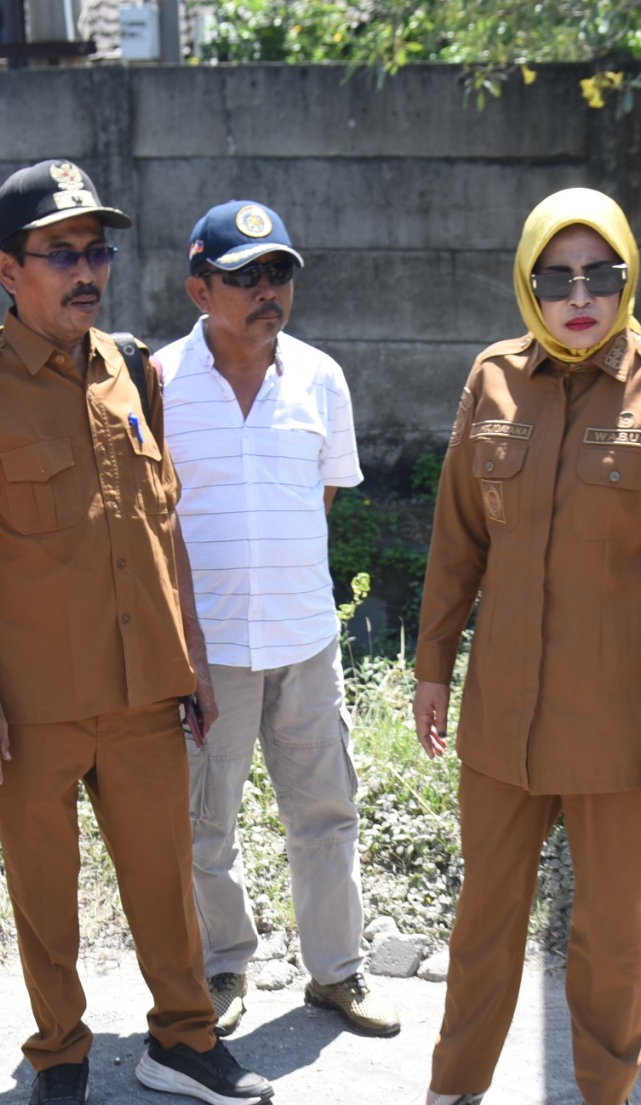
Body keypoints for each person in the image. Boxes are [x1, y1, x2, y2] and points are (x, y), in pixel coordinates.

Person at [0, 160, 274, 1105]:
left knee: (164, 873)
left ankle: (183, 1039)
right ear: (6, 268)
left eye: (96, 249)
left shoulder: (130, 367)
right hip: (30, 701)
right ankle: (61, 1053)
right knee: (44, 890)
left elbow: (164, 529)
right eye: (60, 253)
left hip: (140, 688)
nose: (86, 271)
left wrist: (191, 657)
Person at [382, 189, 641, 1105]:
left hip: (622, 723)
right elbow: (455, 538)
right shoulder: (492, 378)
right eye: (557, 278)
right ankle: (454, 1084)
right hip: (503, 712)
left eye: (601, 275)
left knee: (609, 922)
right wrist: (433, 664)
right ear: (529, 282)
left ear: (627, 277)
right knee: (484, 908)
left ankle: (604, 1100)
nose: (580, 296)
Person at [154, 200, 398, 1042]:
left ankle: (337, 972)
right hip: (208, 649)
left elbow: (317, 500)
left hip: (305, 639)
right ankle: (224, 964)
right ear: (199, 289)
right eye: (244, 275)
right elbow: (155, 522)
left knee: (326, 813)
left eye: (279, 273)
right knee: (201, 825)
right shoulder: (156, 386)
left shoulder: (322, 378)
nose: (268, 291)